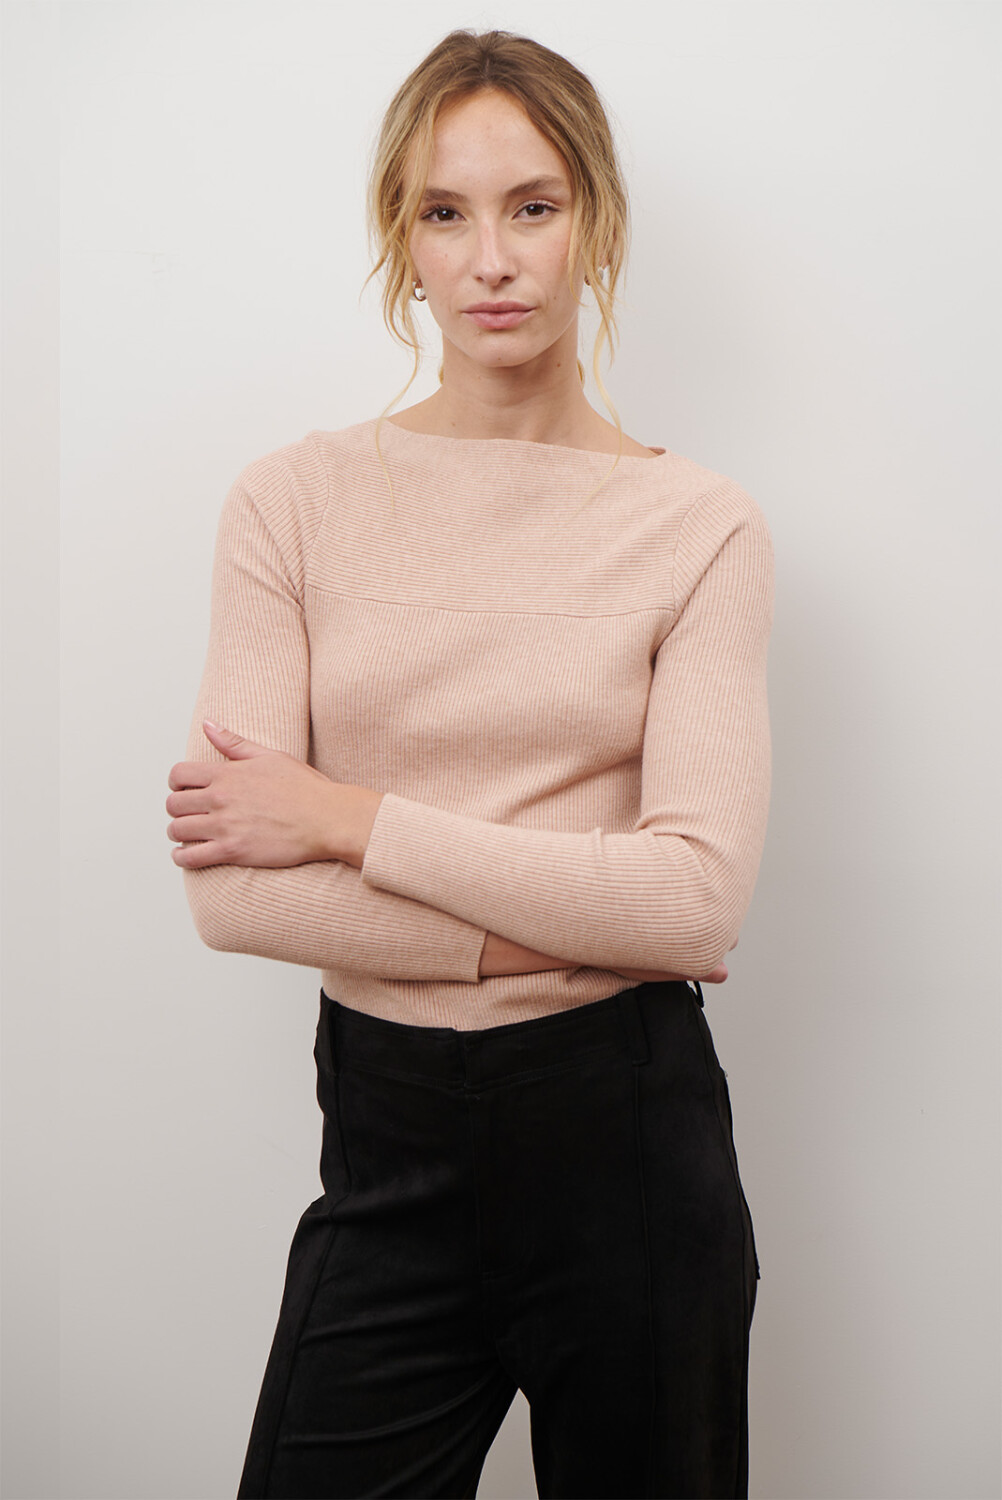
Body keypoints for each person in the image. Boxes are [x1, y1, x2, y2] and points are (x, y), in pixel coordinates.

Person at [166, 28, 773, 1500]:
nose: (491, 259)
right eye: (445, 212)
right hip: (387, 1141)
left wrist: (344, 815)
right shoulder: (292, 503)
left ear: (594, 224)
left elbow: (689, 907)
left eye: (533, 206)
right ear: (402, 237)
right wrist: (544, 929)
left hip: (625, 1146)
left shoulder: (699, 527)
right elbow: (234, 896)